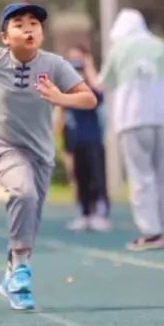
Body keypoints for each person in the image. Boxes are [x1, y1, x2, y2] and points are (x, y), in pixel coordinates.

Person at [0, 3, 96, 312]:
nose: (28, 28)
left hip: (40, 152)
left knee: (31, 215)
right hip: (4, 145)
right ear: (5, 37)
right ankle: (21, 268)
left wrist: (60, 98)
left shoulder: (54, 65)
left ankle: (12, 274)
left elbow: (88, 98)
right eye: (19, 24)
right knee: (22, 193)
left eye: (34, 23)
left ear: (41, 32)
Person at [95, 9, 164, 251]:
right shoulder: (161, 47)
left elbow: (103, 83)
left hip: (132, 119)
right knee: (162, 176)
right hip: (163, 117)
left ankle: (150, 231)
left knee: (141, 175)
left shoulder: (119, 49)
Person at [58, 43, 111, 233]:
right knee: (79, 177)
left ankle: (99, 213)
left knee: (96, 177)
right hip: (75, 139)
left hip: (93, 139)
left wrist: (88, 69)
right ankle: (84, 213)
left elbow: (100, 95)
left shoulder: (91, 88)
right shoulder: (68, 89)